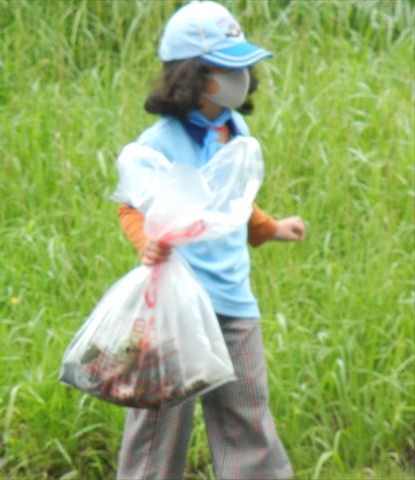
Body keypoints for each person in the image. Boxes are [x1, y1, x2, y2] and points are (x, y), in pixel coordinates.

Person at [114, 2, 306, 479]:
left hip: (234, 306)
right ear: (195, 76)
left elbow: (232, 203)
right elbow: (131, 205)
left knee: (247, 419)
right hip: (174, 310)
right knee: (160, 421)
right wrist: (145, 243)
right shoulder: (157, 142)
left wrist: (271, 228)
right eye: (230, 67)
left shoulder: (235, 131)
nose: (243, 76)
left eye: (245, 66)